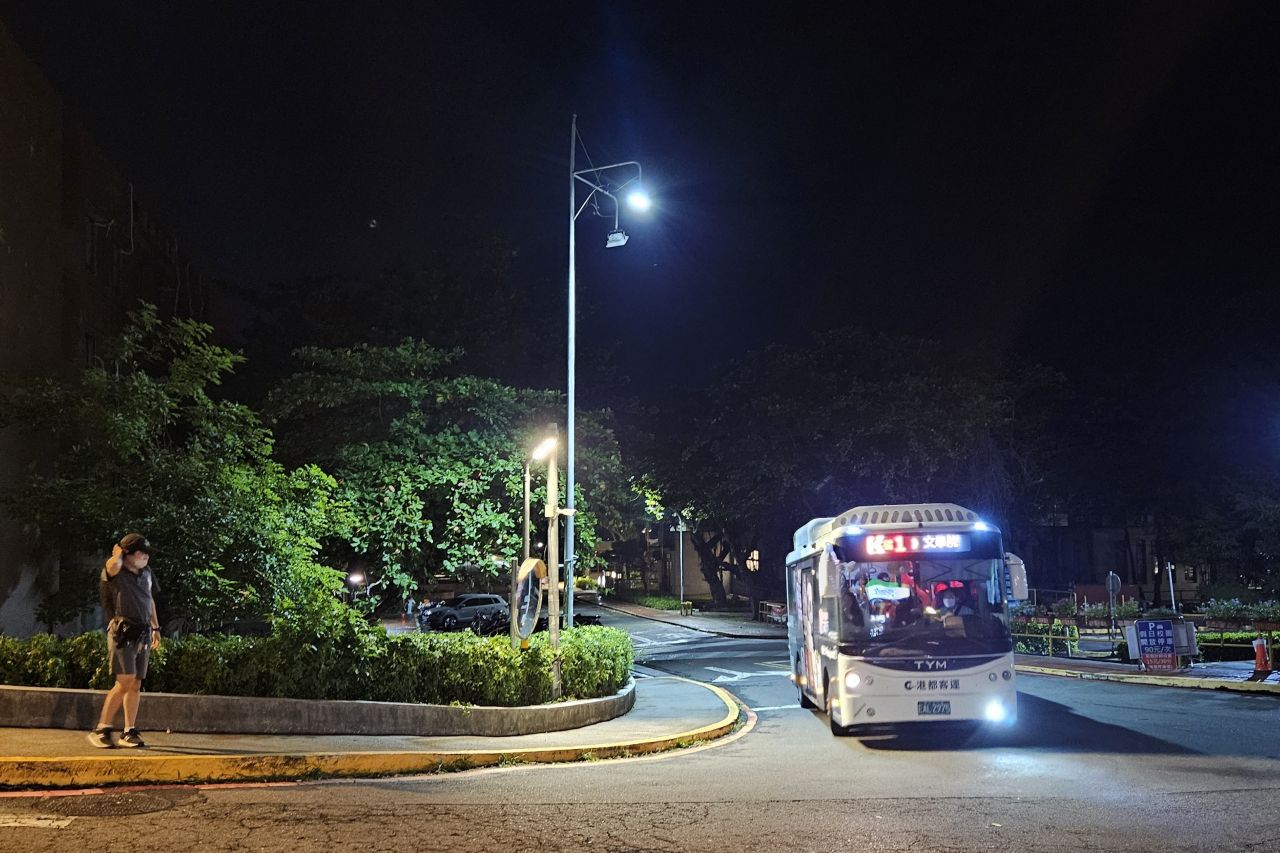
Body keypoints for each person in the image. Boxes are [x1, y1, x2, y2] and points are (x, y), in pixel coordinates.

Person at [89, 533, 161, 749]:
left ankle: (129, 731)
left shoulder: (147, 574)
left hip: (143, 632)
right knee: (125, 681)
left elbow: (150, 601)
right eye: (140, 552)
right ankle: (102, 728)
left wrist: (156, 627)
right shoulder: (117, 572)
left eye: (147, 552)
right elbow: (111, 566)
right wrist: (119, 553)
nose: (145, 556)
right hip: (123, 632)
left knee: (136, 683)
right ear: (128, 553)